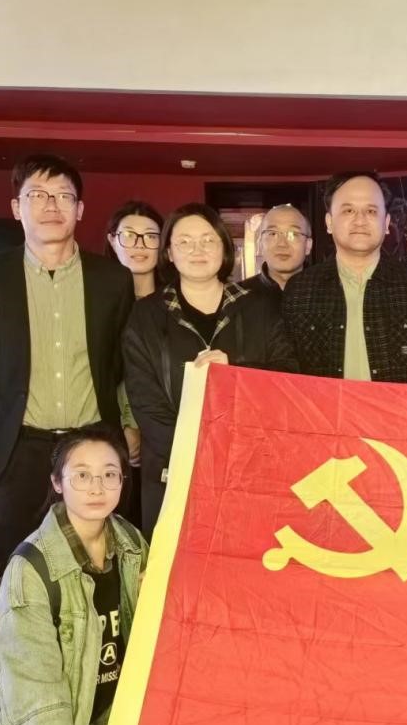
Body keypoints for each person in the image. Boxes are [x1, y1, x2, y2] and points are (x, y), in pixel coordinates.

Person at [0, 154, 137, 569]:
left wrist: (128, 422)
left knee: (96, 562)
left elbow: (123, 364)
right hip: (18, 449)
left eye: (63, 196)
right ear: (16, 207)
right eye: (37, 195)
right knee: (19, 565)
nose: (51, 206)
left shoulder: (112, 280)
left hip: (92, 445)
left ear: (80, 209)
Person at [0, 426, 149, 725]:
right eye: (82, 475)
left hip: (109, 707)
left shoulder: (130, 542)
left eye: (109, 474)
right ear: (57, 482)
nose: (97, 487)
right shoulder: (31, 569)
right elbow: (33, 687)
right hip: (59, 709)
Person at [123, 203, 299, 534]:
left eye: (208, 240)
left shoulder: (260, 307)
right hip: (173, 470)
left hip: (252, 469)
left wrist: (235, 371)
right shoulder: (146, 316)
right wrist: (201, 455)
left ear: (224, 248)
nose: (197, 250)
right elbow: (145, 402)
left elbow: (287, 378)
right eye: (184, 242)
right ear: (169, 253)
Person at [282, 171, 407, 382]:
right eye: (348, 210)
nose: (360, 220)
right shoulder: (300, 290)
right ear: (329, 222)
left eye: (371, 211)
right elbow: (287, 374)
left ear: (386, 223)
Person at [243, 203, 312, 292]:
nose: (282, 244)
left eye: (293, 234)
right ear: (260, 244)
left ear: (308, 245)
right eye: (273, 233)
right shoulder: (238, 295)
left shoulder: (327, 292)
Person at [105, 200, 164, 299]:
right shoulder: (95, 296)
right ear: (112, 241)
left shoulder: (175, 300)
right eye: (129, 235)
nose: (139, 245)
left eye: (150, 236)